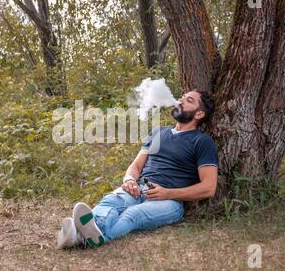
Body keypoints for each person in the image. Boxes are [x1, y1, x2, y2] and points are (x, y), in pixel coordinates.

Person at [57, 90, 218, 249]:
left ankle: (78, 235)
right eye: (181, 98)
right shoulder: (158, 132)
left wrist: (168, 193)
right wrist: (129, 180)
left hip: (170, 201)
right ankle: (85, 235)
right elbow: (136, 166)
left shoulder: (202, 142)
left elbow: (208, 188)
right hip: (138, 189)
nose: (180, 101)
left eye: (188, 100)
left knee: (132, 215)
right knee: (110, 202)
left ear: (199, 114)